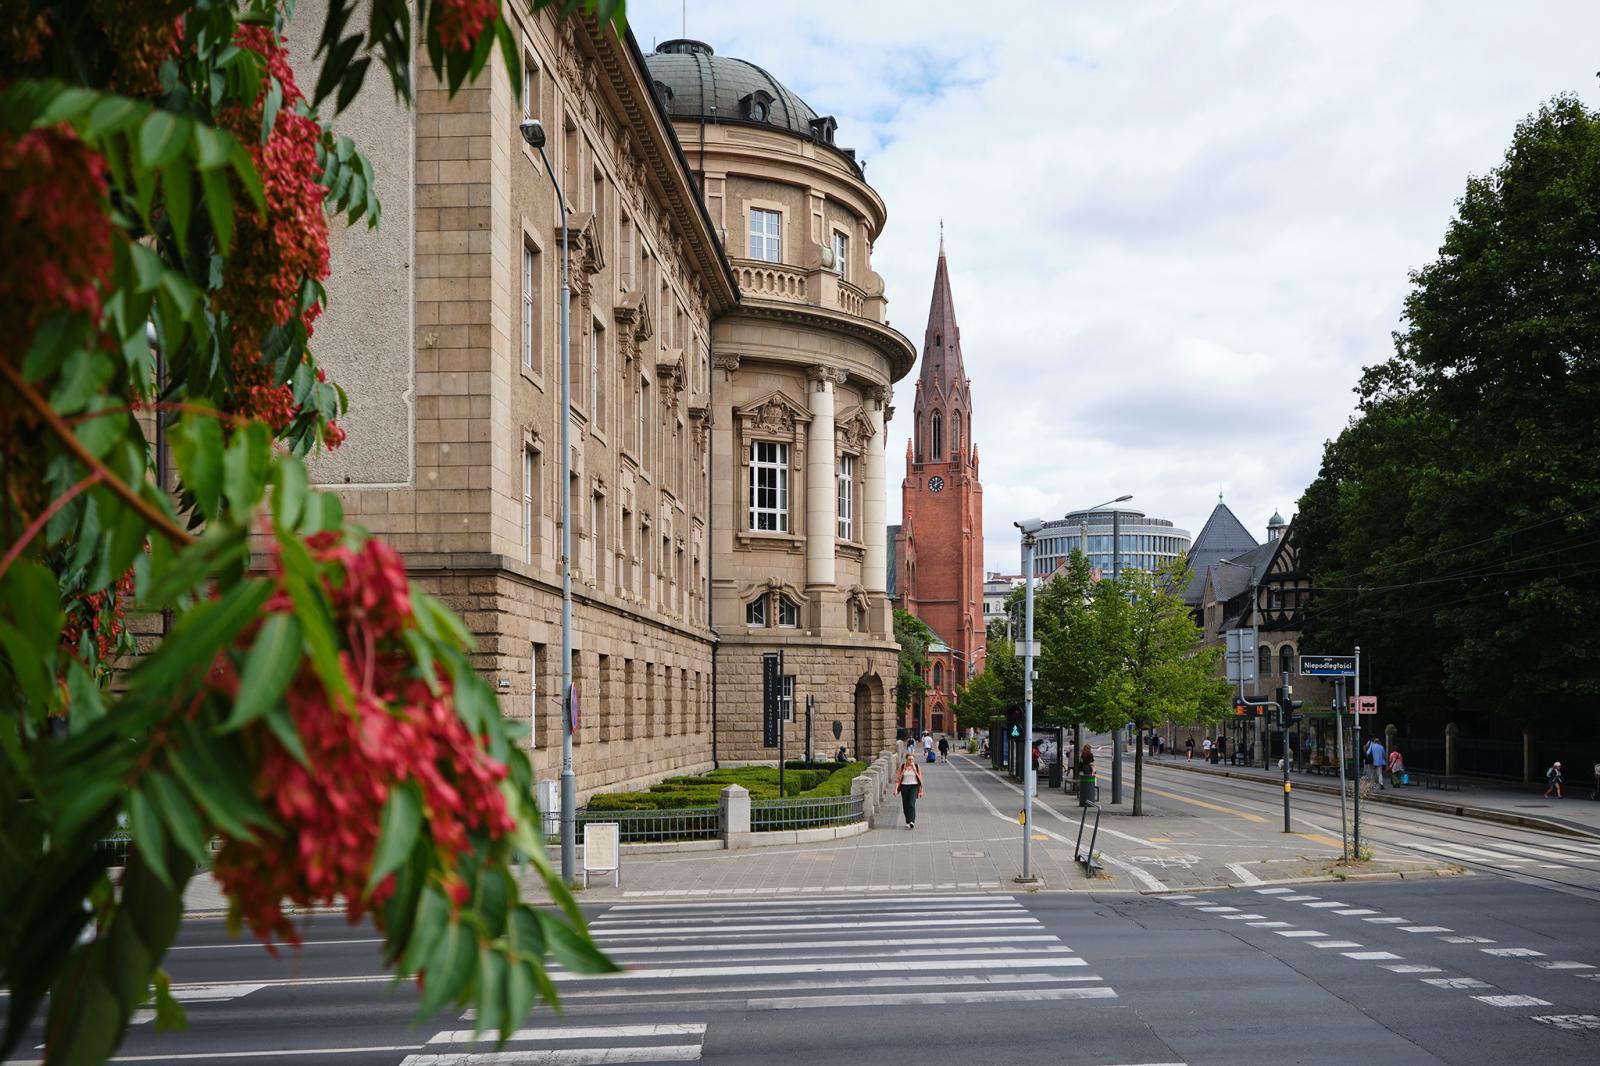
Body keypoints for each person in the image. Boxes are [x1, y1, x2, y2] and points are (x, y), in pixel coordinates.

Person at [898, 751, 925, 828]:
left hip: (914, 786)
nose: (911, 761)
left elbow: (920, 780)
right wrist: (903, 771)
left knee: (911, 804)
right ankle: (908, 821)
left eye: (912, 759)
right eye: (909, 759)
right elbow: (898, 779)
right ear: (906, 759)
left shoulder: (916, 766)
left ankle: (912, 821)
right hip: (904, 787)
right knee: (905, 805)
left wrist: (921, 791)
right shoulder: (902, 766)